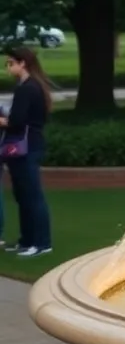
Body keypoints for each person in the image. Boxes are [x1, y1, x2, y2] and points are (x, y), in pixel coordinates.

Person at [0, 47, 53, 257]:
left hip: (26, 146)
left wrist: (2, 120)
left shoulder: (28, 88)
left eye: (11, 63)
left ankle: (41, 242)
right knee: (23, 195)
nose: (8, 67)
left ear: (23, 63)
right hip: (25, 146)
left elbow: (17, 121)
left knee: (31, 195)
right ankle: (27, 240)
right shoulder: (27, 86)